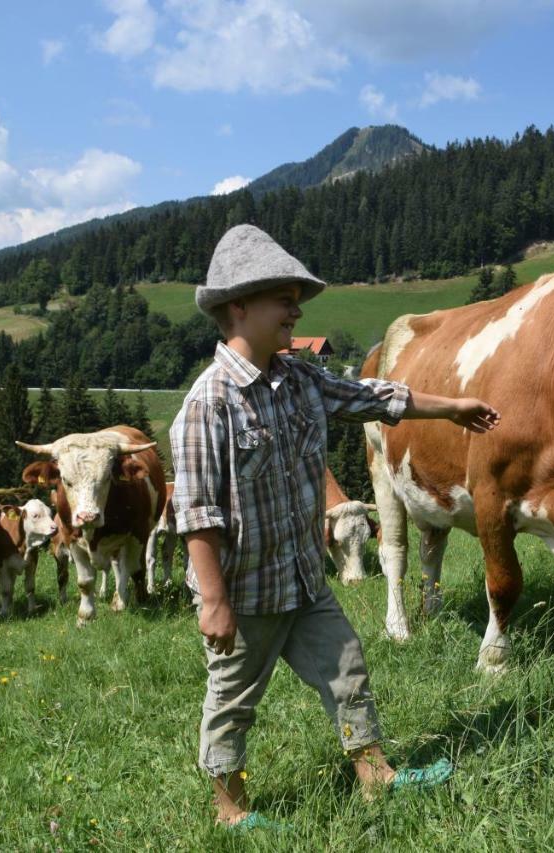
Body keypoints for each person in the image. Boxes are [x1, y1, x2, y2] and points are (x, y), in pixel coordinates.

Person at [170, 224, 500, 830]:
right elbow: (196, 514)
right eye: (283, 298)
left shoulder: (301, 379)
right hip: (244, 595)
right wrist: (213, 601)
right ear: (237, 306)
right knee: (233, 702)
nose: (296, 309)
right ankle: (230, 811)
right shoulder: (208, 403)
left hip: (304, 578)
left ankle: (377, 777)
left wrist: (451, 407)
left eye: (297, 297)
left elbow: (374, 396)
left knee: (347, 667)